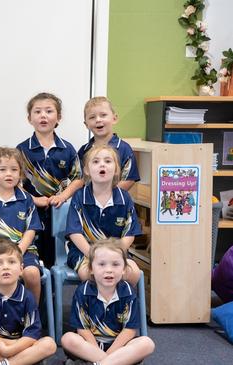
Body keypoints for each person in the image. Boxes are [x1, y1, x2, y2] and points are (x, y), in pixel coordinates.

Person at [61, 239, 155, 365]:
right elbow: (82, 329)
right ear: (91, 269)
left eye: (115, 264)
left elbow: (129, 330)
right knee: (68, 339)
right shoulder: (82, 292)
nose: (109, 270)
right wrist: (102, 354)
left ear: (124, 269)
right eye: (102, 264)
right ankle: (115, 362)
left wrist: (109, 354)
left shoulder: (128, 292)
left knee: (147, 344)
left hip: (119, 346)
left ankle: (100, 363)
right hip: (90, 346)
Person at [16, 92, 83, 267]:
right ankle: (33, 293)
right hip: (29, 211)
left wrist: (63, 196)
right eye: (37, 112)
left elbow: (78, 179)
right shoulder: (22, 150)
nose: (43, 115)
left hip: (58, 211)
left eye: (49, 111)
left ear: (58, 117)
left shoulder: (67, 149)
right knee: (31, 256)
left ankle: (53, 294)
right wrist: (34, 200)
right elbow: (15, 183)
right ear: (29, 118)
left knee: (54, 257)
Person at [0, 147, 44, 302]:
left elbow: (31, 229)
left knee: (32, 274)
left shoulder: (26, 199)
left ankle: (31, 314)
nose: (9, 174)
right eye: (3, 169)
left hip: (24, 250)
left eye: (14, 170)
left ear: (20, 174)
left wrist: (18, 251)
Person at [0, 240, 56, 365]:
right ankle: (21, 361)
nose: (5, 267)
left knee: (49, 344)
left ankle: (5, 363)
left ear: (21, 270)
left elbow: (32, 334)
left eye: (11, 262)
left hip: (20, 344)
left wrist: (10, 350)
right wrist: (7, 347)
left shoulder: (28, 297)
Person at [65, 145, 142, 285]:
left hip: (116, 253)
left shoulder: (125, 198)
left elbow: (130, 234)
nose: (102, 165)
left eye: (108, 161)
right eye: (95, 161)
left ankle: (121, 306)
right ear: (87, 170)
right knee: (88, 273)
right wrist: (94, 255)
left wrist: (113, 255)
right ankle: (95, 306)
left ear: (116, 169)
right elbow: (74, 233)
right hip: (85, 253)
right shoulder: (79, 197)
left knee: (134, 273)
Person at [78, 96, 139, 191]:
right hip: (89, 203)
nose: (98, 120)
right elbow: (79, 179)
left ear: (114, 119)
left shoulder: (124, 148)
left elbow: (129, 179)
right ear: (86, 124)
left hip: (115, 203)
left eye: (103, 115)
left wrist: (107, 195)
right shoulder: (84, 151)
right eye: (92, 117)